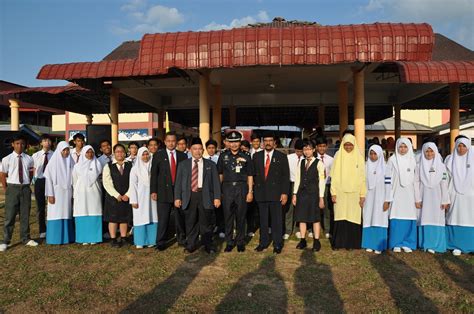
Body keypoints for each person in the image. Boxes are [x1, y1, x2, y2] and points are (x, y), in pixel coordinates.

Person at [174, 138, 221, 254]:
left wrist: (217, 197)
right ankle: (191, 244)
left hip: (205, 196)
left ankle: (208, 245)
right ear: (190, 150)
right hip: (190, 196)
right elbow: (178, 183)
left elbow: (216, 182)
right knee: (191, 222)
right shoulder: (183, 165)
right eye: (195, 149)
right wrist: (177, 197)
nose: (197, 151)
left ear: (203, 150)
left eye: (200, 149)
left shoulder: (210, 165)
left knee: (206, 223)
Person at [253, 132, 290, 254]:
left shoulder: (282, 156)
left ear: (274, 142)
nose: (268, 143)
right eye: (266, 141)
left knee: (276, 220)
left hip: (276, 193)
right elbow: (253, 175)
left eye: (270, 140)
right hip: (261, 193)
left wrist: (285, 193)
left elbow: (285, 177)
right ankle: (263, 243)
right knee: (263, 220)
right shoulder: (257, 156)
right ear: (263, 143)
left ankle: (277, 244)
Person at [217, 131, 254, 252]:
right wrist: (219, 192)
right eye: (231, 142)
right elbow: (220, 175)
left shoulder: (246, 156)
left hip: (241, 188)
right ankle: (229, 242)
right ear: (227, 142)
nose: (234, 144)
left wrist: (250, 192)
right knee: (228, 216)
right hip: (227, 188)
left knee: (241, 216)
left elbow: (250, 175)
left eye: (236, 142)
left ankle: (240, 242)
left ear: (240, 142)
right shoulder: (223, 156)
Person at [0, 134, 38, 252]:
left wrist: (27, 183)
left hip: (25, 188)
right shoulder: (7, 159)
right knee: (10, 215)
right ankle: (6, 240)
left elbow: (31, 173)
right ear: (12, 144)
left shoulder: (29, 158)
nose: (19, 146)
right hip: (12, 188)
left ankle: (25, 238)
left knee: (25, 214)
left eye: (22, 143)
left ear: (25, 145)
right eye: (17, 143)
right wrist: (6, 188)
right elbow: (2, 174)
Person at [150, 131, 187, 250]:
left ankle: (181, 240)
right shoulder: (158, 155)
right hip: (163, 191)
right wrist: (153, 191)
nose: (171, 143)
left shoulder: (183, 156)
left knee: (179, 217)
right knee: (163, 218)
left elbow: (185, 176)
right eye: (168, 141)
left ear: (176, 142)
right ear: (165, 142)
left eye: (173, 141)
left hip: (178, 192)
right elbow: (154, 174)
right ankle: (160, 242)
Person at [330, 134, 366, 250]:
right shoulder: (338, 155)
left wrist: (362, 195)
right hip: (340, 192)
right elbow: (334, 176)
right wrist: (333, 193)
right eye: (346, 144)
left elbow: (362, 178)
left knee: (352, 217)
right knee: (340, 217)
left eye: (351, 144)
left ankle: (351, 244)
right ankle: (338, 243)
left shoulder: (359, 157)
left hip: (354, 193)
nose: (348, 147)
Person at [415, 142, 450, 254]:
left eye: (431, 151)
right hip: (424, 197)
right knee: (425, 218)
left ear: (435, 152)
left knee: (437, 219)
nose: (429, 153)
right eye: (427, 151)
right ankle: (426, 244)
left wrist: (445, 200)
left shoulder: (441, 166)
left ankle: (437, 245)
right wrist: (417, 199)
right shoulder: (419, 166)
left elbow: (444, 183)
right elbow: (416, 183)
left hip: (437, 198)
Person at [384, 138, 418, 253]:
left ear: (409, 147)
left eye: (405, 147)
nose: (402, 149)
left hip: (410, 194)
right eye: (400, 147)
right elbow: (387, 179)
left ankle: (408, 242)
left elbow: (416, 180)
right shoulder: (392, 160)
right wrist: (388, 196)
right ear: (397, 147)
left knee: (409, 216)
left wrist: (417, 197)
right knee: (396, 216)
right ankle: (396, 243)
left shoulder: (413, 160)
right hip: (396, 193)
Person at [292, 139, 326, 252]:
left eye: (309, 149)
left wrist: (321, 197)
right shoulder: (301, 162)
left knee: (315, 218)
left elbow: (322, 181)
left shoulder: (319, 163)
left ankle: (316, 241)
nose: (306, 151)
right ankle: (302, 240)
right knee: (302, 218)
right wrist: (295, 194)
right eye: (305, 149)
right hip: (302, 194)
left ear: (314, 149)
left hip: (314, 194)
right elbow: (298, 178)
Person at [445, 136, 474, 256]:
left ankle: (470, 245)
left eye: (464, 146)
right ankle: (454, 245)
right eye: (459, 146)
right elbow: (445, 179)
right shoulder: (450, 159)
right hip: (454, 194)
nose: (461, 148)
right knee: (454, 217)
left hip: (470, 195)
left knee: (469, 219)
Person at [43, 141, 75, 245]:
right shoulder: (53, 163)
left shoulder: (71, 161)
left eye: (67, 150)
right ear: (59, 151)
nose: (66, 152)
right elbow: (48, 180)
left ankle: (67, 237)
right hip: (56, 193)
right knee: (55, 213)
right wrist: (50, 194)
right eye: (64, 150)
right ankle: (54, 238)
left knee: (67, 213)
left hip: (67, 193)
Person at [103, 144, 133, 247]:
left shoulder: (130, 165)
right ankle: (113, 238)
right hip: (113, 197)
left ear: (125, 153)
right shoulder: (108, 165)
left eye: (121, 151)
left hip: (126, 196)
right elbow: (106, 183)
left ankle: (124, 238)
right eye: (117, 151)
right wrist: (116, 195)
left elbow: (133, 181)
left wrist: (128, 194)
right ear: (114, 153)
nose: (119, 153)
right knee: (113, 218)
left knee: (124, 218)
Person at [73, 145, 103, 245]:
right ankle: (83, 238)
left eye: (91, 152)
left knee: (94, 212)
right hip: (81, 193)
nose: (90, 154)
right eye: (87, 152)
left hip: (94, 192)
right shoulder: (77, 166)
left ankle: (94, 237)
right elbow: (74, 180)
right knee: (82, 212)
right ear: (83, 153)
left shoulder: (97, 164)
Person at [129, 147, 158, 249]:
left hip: (152, 198)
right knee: (140, 218)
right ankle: (140, 241)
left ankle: (152, 240)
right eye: (143, 154)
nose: (145, 156)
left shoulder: (153, 166)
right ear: (139, 156)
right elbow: (132, 185)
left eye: (147, 154)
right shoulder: (135, 169)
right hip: (140, 198)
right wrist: (133, 200)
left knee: (152, 217)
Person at [361, 145, 388, 254]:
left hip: (381, 198)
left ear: (380, 154)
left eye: (375, 154)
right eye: (371, 154)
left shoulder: (385, 168)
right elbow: (362, 182)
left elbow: (389, 185)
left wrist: (387, 200)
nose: (372, 156)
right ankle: (369, 244)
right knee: (368, 218)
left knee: (379, 218)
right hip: (369, 198)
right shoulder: (365, 166)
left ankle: (378, 245)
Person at [32, 134, 54, 239]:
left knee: (52, 205)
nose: (47, 142)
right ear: (41, 143)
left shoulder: (55, 155)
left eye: (49, 140)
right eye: (45, 140)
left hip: (52, 182)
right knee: (40, 207)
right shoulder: (35, 155)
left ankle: (52, 228)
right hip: (40, 181)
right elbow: (33, 169)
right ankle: (42, 229)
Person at [315, 136, 334, 239]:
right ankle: (312, 228)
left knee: (327, 208)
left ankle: (327, 229)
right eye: (320, 146)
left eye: (324, 146)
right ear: (316, 147)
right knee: (314, 208)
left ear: (326, 147)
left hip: (327, 185)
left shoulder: (331, 160)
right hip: (315, 186)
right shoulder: (313, 159)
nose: (322, 148)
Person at [285, 139, 304, 239]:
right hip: (291, 184)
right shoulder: (288, 158)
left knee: (300, 207)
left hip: (302, 185)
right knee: (290, 208)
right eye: (297, 151)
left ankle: (298, 228)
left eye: (301, 151)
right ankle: (288, 229)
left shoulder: (306, 158)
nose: (299, 153)